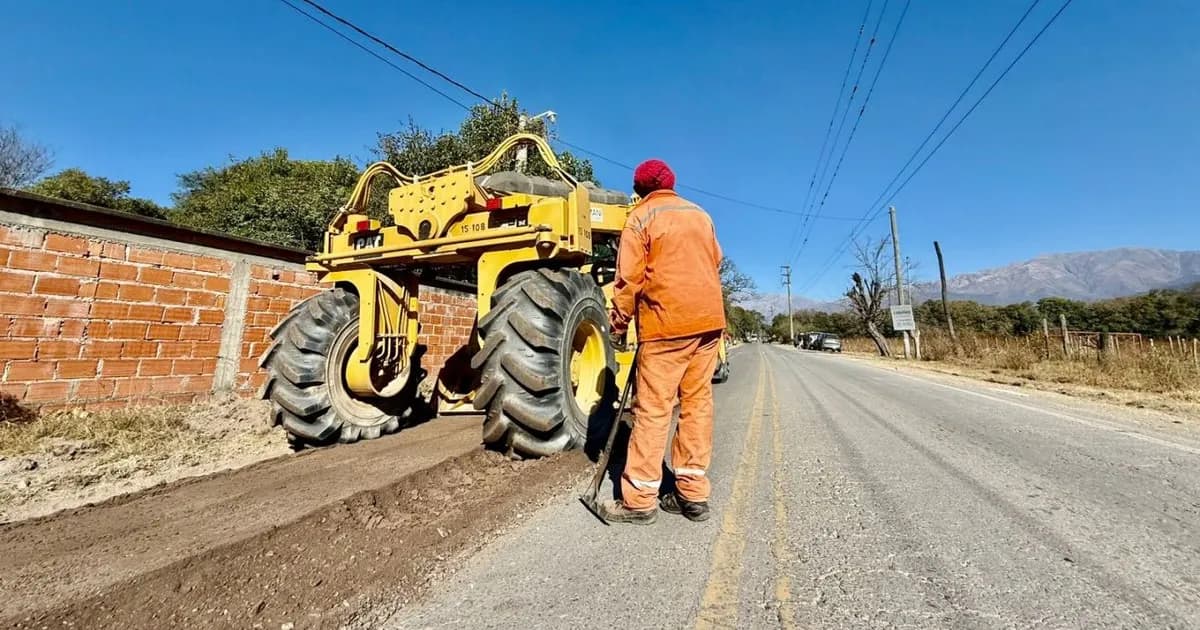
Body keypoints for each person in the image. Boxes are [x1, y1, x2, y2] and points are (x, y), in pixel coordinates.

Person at [601, 158, 726, 525]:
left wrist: (619, 323)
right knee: (697, 405)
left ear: (639, 190)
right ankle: (692, 495)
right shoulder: (701, 214)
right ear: (671, 184)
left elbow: (628, 279)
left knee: (654, 409)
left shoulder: (640, 217)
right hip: (707, 323)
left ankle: (639, 500)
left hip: (665, 324)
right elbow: (714, 262)